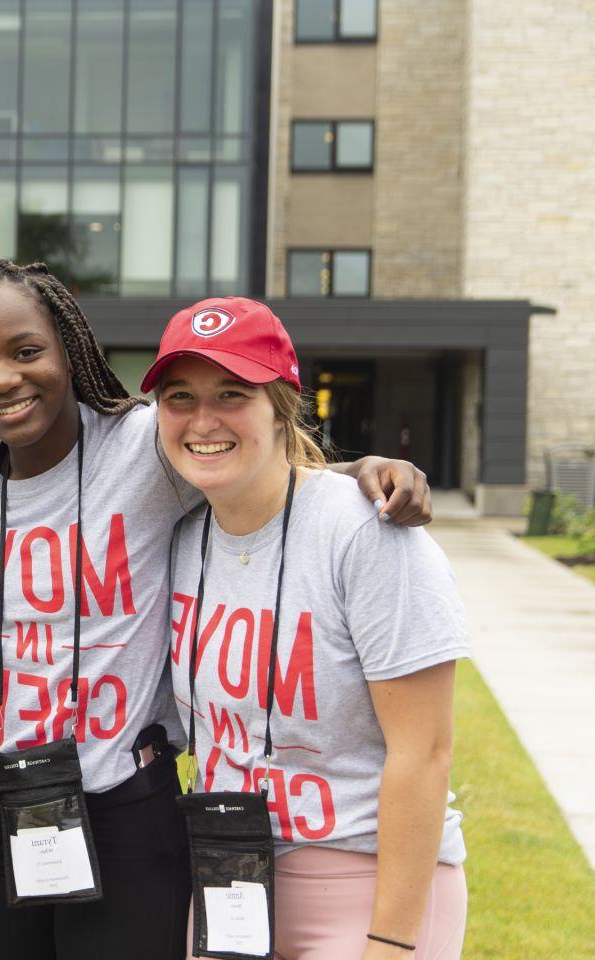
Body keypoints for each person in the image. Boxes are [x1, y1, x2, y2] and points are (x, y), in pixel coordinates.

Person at [0, 258, 432, 960]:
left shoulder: (142, 447)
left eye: (26, 351)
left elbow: (243, 455)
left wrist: (365, 472)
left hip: (123, 805)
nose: (4, 378)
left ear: (71, 352)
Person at [145, 297, 468, 960]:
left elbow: (424, 753)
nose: (203, 420)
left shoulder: (366, 534)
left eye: (232, 393)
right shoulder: (179, 538)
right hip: (229, 882)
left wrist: (390, 943)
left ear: (282, 405)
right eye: (181, 396)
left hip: (367, 883)